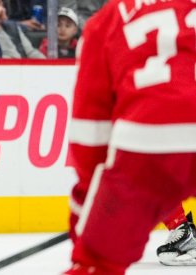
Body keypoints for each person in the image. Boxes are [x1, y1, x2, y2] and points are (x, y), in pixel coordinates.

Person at [63, 0, 196, 274]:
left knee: (97, 264)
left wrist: (90, 237)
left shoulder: (105, 21)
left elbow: (91, 139)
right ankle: (181, 228)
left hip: (149, 136)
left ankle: (182, 229)